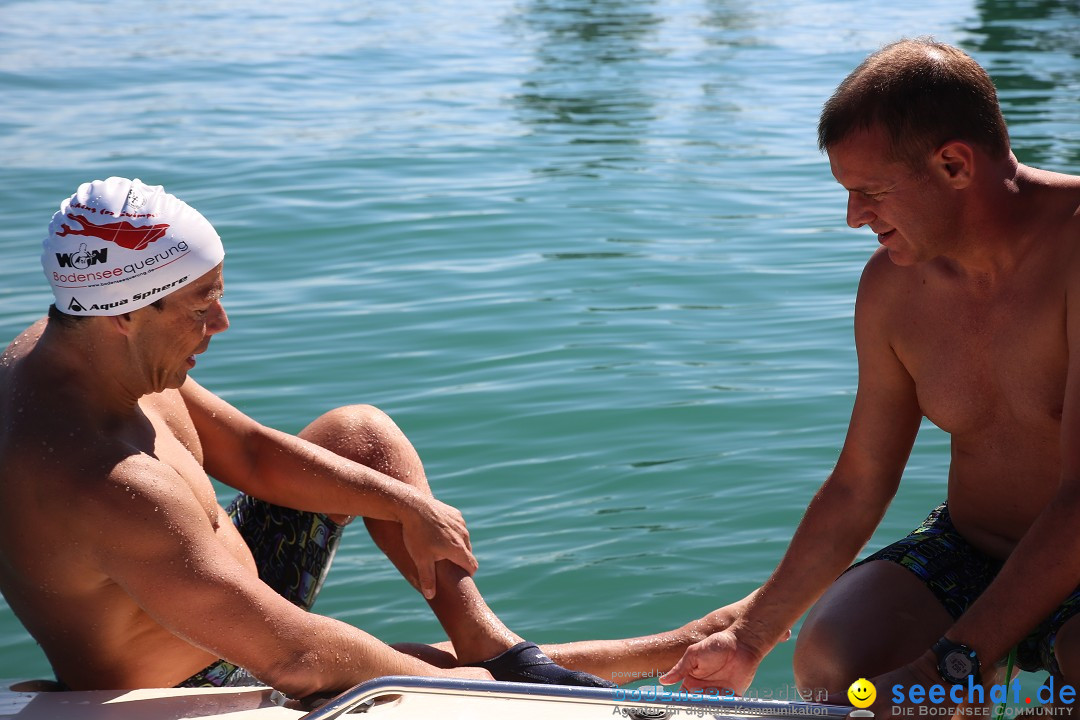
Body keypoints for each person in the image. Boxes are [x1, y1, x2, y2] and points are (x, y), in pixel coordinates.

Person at [0, 177, 726, 697]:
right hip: (198, 677)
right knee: (420, 675)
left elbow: (250, 454)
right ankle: (617, 660)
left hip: (219, 587)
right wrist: (491, 697)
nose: (220, 326)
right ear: (125, 312)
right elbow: (296, 661)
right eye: (202, 305)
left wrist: (406, 504)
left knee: (360, 437)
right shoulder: (93, 480)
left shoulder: (84, 345)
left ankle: (491, 642)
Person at [660, 38, 1080, 714]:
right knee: (839, 666)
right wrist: (748, 637)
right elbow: (861, 480)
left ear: (953, 164)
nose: (855, 217)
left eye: (871, 192)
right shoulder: (895, 287)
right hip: (972, 548)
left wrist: (953, 661)